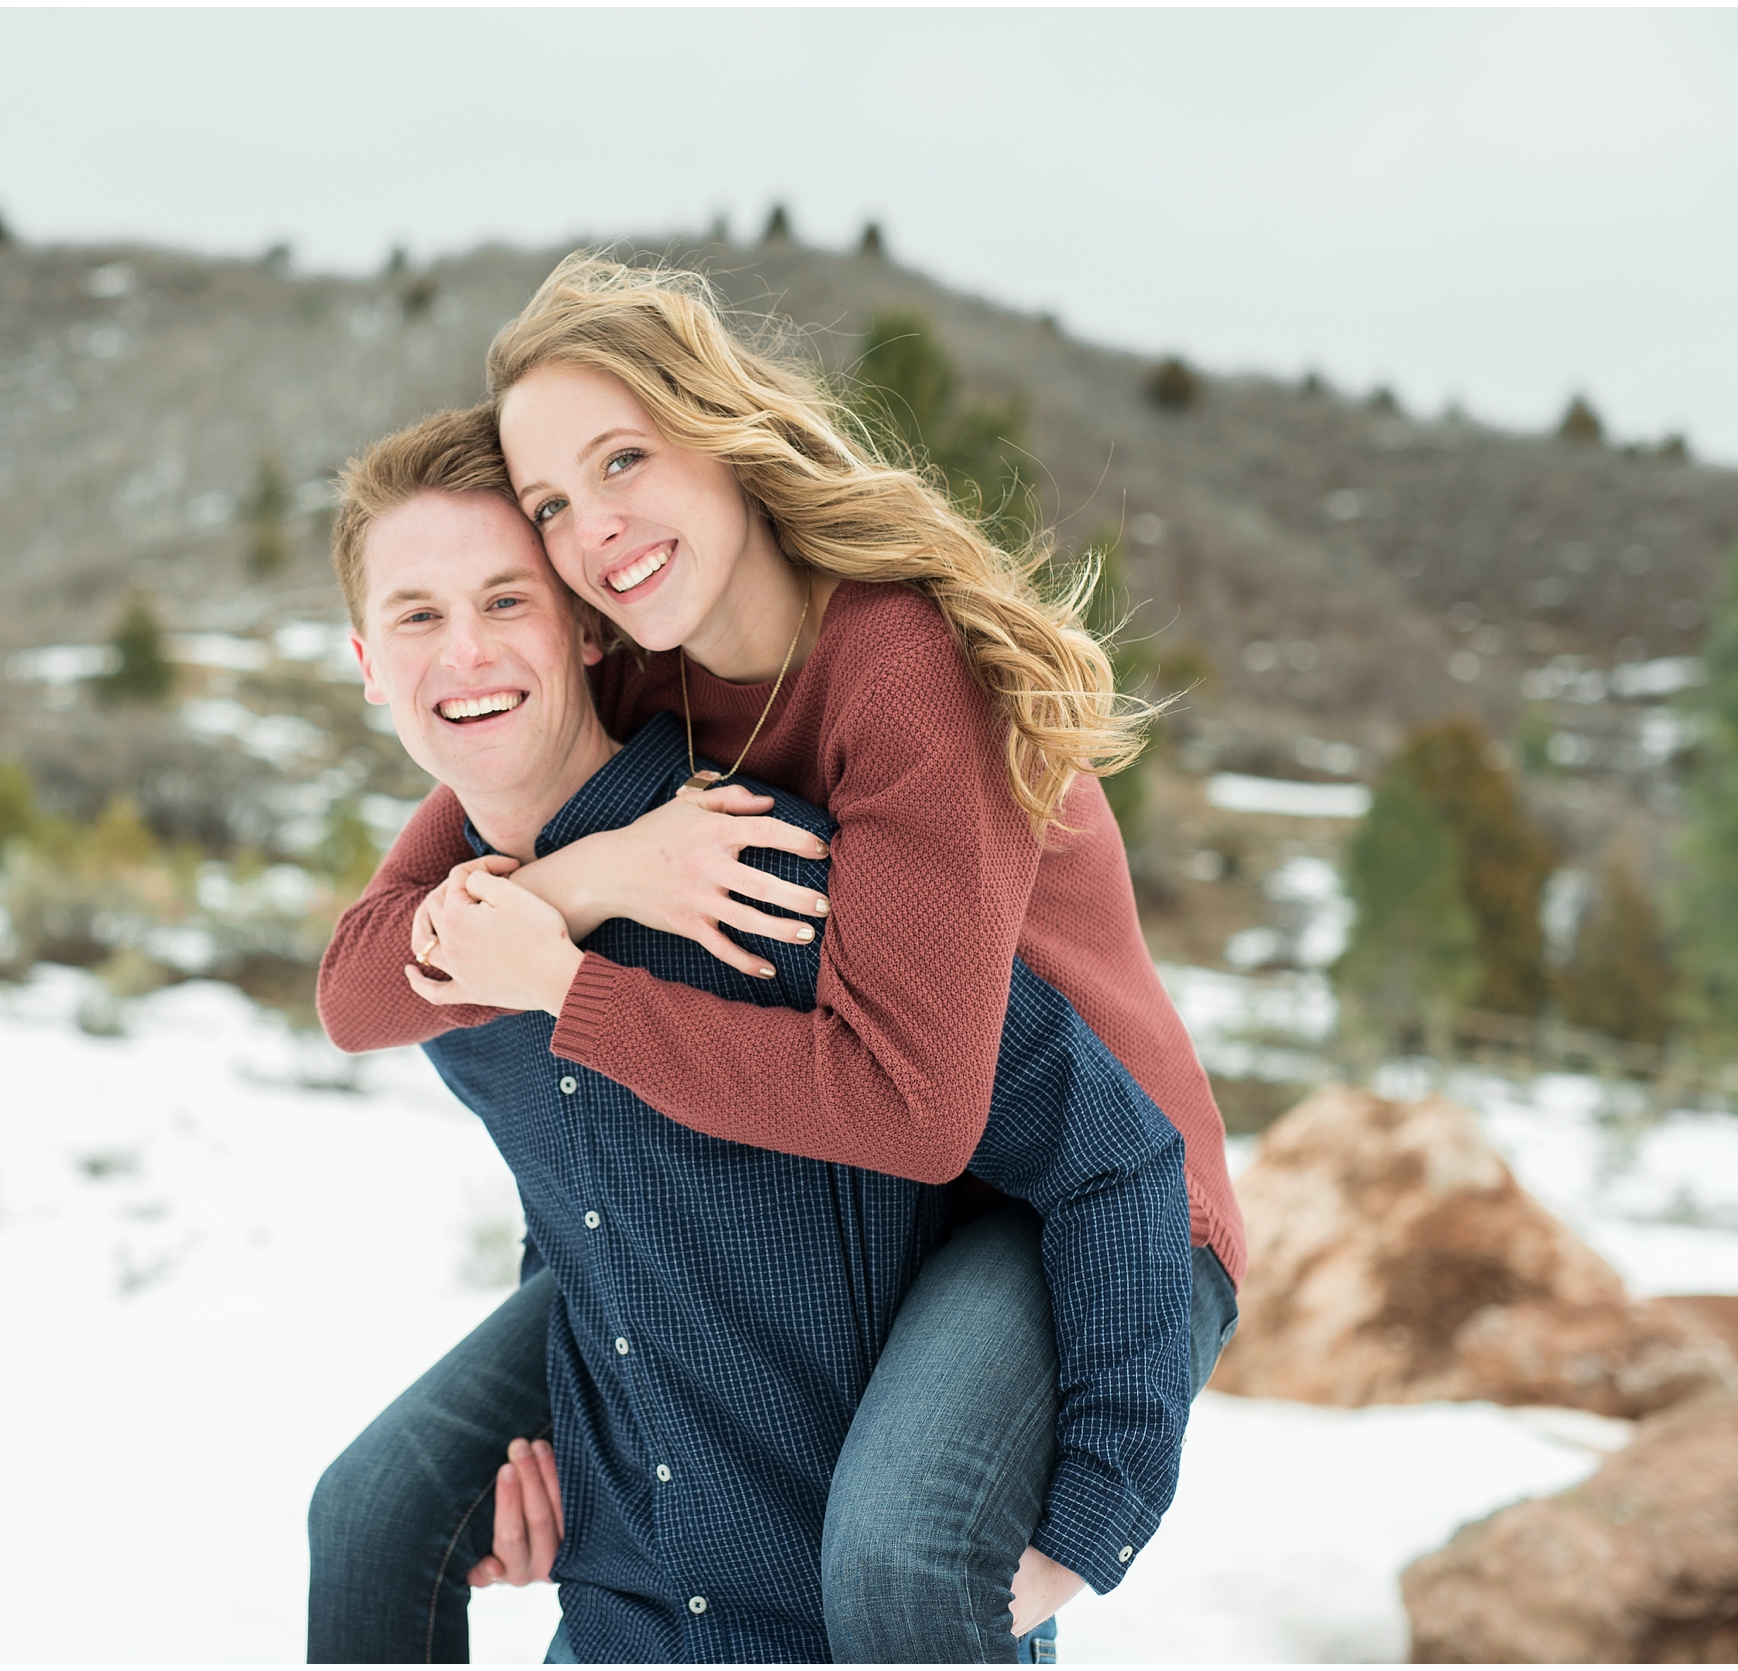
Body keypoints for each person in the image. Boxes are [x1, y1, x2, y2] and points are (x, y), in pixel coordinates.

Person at [318, 256, 1246, 1661]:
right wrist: (592, 880)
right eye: (555, 505)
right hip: (876, 1167)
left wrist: (571, 983)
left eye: (622, 458)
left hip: (1080, 1189)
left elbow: (923, 1106)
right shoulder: (628, 661)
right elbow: (371, 979)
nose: (595, 529)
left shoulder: (901, 670)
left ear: (721, 430)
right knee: (382, 1502)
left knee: (897, 1548)